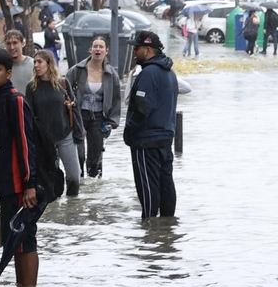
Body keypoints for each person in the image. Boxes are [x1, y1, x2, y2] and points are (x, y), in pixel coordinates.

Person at [0, 47, 41, 287]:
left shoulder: (15, 100)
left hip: (19, 185)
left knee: (24, 238)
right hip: (7, 185)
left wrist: (29, 184)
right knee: (13, 240)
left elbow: (26, 144)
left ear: (9, 73)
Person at [123, 30, 178, 219]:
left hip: (146, 142)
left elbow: (142, 108)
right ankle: (167, 231)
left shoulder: (148, 73)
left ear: (148, 50)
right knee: (166, 185)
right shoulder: (169, 72)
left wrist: (130, 131)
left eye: (136, 48)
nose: (134, 52)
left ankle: (149, 231)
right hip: (165, 138)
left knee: (148, 189)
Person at [26, 50, 85, 198]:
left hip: (65, 134)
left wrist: (79, 132)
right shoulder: (32, 87)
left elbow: (73, 107)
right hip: (45, 140)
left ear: (49, 63)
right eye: (35, 62)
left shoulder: (63, 83)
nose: (36, 65)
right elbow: (29, 115)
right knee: (51, 179)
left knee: (74, 176)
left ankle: (72, 207)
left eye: (40, 62)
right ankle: (54, 210)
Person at [66, 36, 122, 178]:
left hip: (98, 117)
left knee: (95, 156)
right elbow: (63, 90)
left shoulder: (111, 74)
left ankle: (94, 191)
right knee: (78, 154)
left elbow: (116, 99)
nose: (98, 49)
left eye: (101, 47)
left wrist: (112, 123)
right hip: (79, 115)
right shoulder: (77, 70)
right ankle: (78, 184)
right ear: (90, 49)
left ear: (106, 51)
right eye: (95, 46)